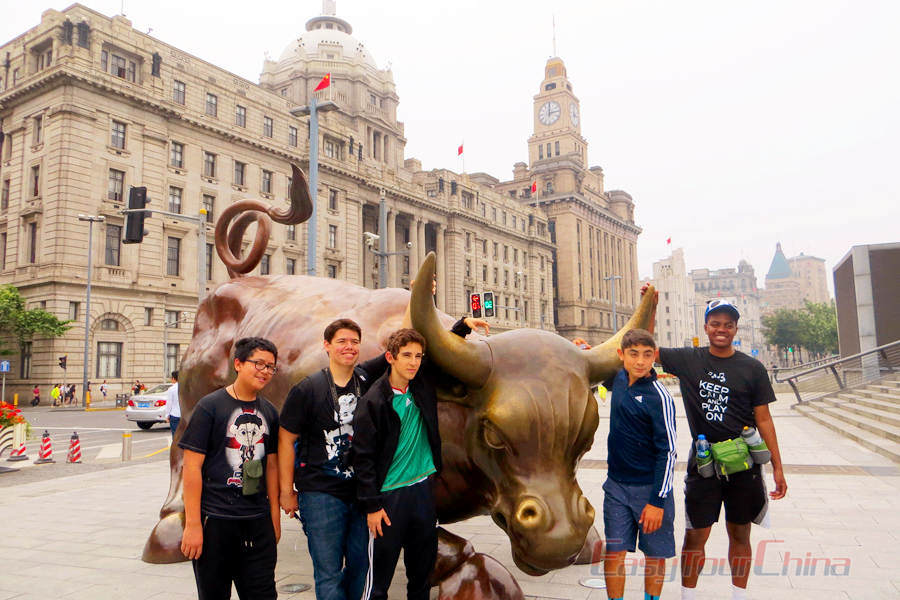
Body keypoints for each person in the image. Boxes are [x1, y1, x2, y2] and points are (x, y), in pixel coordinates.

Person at [642, 286, 787, 600]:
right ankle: (688, 596)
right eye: (715, 323)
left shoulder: (752, 368)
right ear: (705, 327)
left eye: (728, 324)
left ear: (736, 328)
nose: (722, 329)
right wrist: (651, 307)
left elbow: (764, 419)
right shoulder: (689, 359)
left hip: (744, 464)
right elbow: (646, 348)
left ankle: (739, 596)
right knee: (695, 536)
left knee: (740, 534)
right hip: (704, 464)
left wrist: (777, 467)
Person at [178, 337, 281, 600]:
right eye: (258, 364)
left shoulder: (269, 412)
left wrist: (274, 520)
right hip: (216, 522)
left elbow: (271, 466)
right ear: (238, 363)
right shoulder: (210, 407)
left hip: (257, 524)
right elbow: (191, 467)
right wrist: (192, 525)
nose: (265, 371)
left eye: (271, 367)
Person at [352, 328, 442, 600]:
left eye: (417, 356)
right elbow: (362, 457)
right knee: (378, 579)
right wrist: (372, 506)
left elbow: (442, 349)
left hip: (423, 492)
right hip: (390, 498)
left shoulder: (422, 385)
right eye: (406, 356)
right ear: (390, 358)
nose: (413, 362)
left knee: (422, 573)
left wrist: (462, 326)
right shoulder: (374, 401)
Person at [601, 328, 677, 600]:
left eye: (647, 355)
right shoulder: (619, 379)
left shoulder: (660, 397)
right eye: (633, 354)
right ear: (622, 355)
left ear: (654, 357)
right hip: (616, 487)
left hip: (651, 491)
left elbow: (668, 452)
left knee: (655, 556)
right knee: (613, 553)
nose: (640, 362)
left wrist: (657, 501)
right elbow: (589, 368)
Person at [165, 371, 180, 439]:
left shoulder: (172, 389)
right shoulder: (186, 388)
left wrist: (167, 415)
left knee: (176, 437)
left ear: (173, 378)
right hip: (185, 416)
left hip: (175, 415)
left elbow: (169, 403)